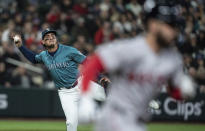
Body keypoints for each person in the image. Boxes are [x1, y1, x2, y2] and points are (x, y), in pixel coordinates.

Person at [80, 0, 196, 131]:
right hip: (116, 116)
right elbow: (95, 62)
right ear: (153, 24)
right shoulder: (132, 49)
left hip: (138, 121)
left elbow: (174, 93)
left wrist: (184, 92)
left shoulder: (173, 59)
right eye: (169, 25)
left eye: (175, 26)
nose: (173, 31)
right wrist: (85, 97)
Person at [13, 29, 86, 131]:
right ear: (42, 42)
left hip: (81, 84)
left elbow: (87, 62)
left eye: (53, 36)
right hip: (65, 93)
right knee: (71, 122)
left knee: (109, 94)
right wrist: (20, 46)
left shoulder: (69, 50)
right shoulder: (44, 55)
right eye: (47, 37)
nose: (51, 37)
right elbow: (33, 58)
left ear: (56, 39)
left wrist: (100, 79)